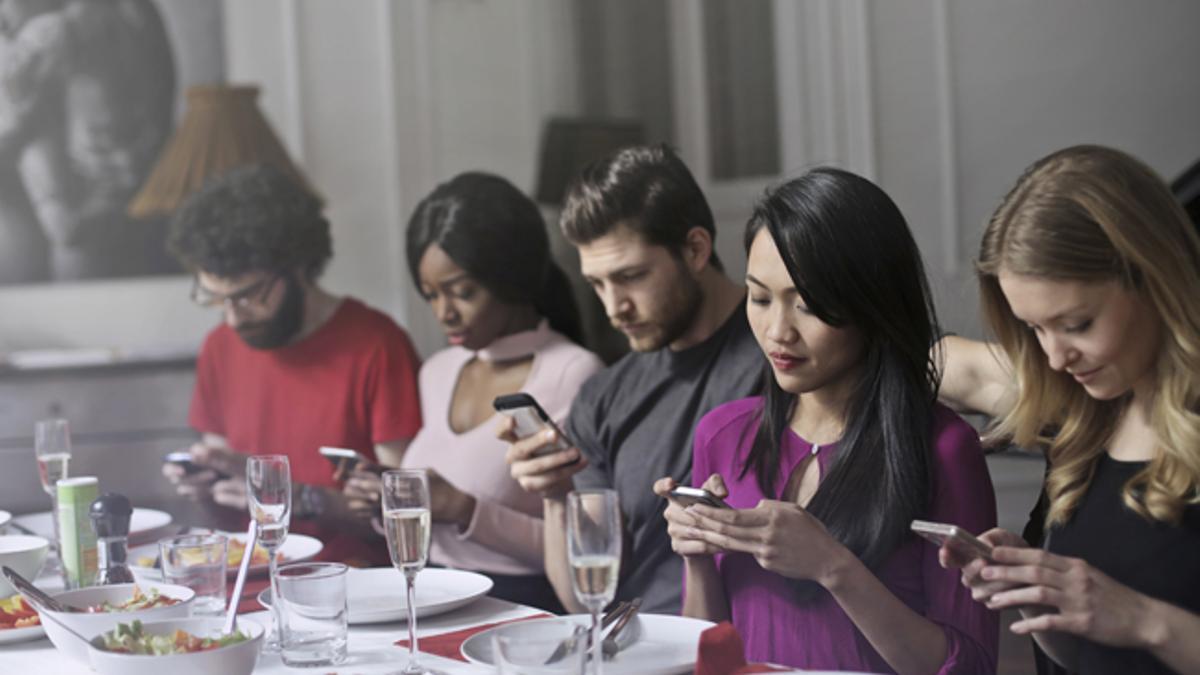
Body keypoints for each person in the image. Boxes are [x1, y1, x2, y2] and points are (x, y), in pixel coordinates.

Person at [652, 169, 998, 672]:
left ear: (872, 304)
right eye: (760, 297)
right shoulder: (723, 435)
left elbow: (970, 666)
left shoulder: (944, 449)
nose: (776, 332)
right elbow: (713, 654)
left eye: (808, 306)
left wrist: (834, 567)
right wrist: (696, 556)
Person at [939, 145, 1200, 675]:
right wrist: (1041, 596)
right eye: (1035, 329)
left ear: (1152, 279)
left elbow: (1140, 632)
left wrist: (1145, 619)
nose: (1055, 358)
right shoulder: (1088, 423)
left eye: (1077, 324)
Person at [502, 144, 762, 614]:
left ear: (697, 249)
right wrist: (557, 499)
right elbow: (586, 604)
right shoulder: (603, 397)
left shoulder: (786, 356)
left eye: (632, 276)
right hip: (635, 650)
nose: (612, 306)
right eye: (597, 284)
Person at [342, 172, 603, 611]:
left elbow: (590, 550)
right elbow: (429, 537)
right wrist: (380, 504)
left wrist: (466, 509)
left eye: (462, 292)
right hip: (425, 600)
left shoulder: (574, 374)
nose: (445, 313)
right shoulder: (438, 371)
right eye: (430, 295)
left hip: (520, 608)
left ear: (511, 277)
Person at [162, 164, 422, 565]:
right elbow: (230, 520)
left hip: (357, 586)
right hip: (252, 580)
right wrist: (208, 488)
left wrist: (302, 499)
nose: (233, 317)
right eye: (217, 298)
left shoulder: (377, 345)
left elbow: (405, 512)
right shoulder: (219, 347)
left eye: (248, 296)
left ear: (297, 265)